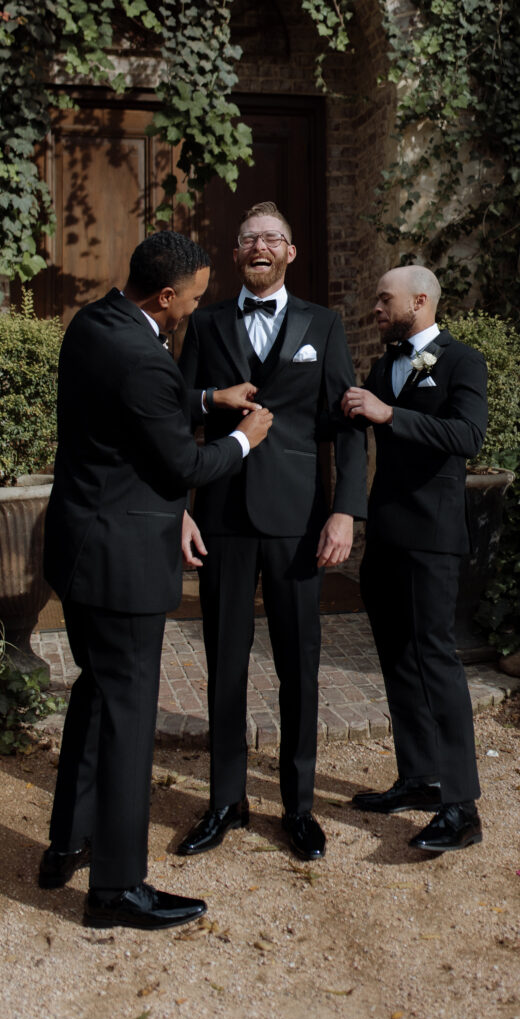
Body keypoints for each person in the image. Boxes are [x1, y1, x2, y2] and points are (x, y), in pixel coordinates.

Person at [39, 231, 272, 930]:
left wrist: (206, 398)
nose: (197, 308)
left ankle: (68, 843)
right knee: (128, 720)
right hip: (123, 564)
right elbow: (182, 466)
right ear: (165, 296)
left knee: (96, 697)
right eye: (193, 298)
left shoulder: (95, 322)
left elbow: (134, 408)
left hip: (81, 548)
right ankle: (115, 890)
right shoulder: (142, 355)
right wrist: (243, 438)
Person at [176, 201, 367, 862]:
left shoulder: (324, 324)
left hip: (299, 521)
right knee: (225, 665)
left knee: (299, 666)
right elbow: (176, 414)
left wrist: (345, 510)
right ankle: (225, 802)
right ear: (236, 255)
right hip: (221, 516)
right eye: (249, 238)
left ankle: (299, 807)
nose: (260, 245)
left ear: (290, 252)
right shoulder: (205, 324)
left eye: (272, 237)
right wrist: (178, 508)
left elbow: (347, 425)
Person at [342, 265, 488, 853]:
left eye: (385, 300)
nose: (376, 309)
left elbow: (467, 436)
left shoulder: (462, 361)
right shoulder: (384, 366)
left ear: (420, 301)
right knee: (397, 657)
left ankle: (462, 807)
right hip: (386, 536)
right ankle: (419, 777)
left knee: (435, 659)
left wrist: (390, 415)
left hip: (433, 537)